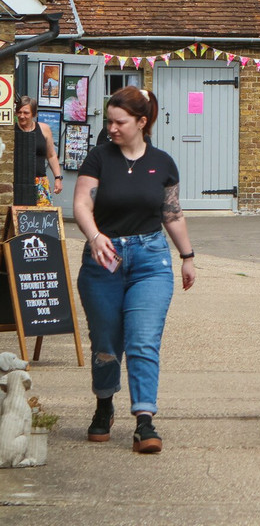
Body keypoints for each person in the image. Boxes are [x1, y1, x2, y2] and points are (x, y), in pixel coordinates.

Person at [72, 87, 196, 454]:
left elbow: (171, 213)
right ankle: (104, 403)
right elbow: (81, 203)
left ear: (141, 122)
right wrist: (94, 236)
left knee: (143, 341)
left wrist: (187, 255)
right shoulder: (98, 158)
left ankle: (144, 421)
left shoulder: (163, 162)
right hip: (103, 258)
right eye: (108, 121)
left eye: (119, 122)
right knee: (107, 343)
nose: (111, 128)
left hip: (150, 259)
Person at [15, 96, 62, 206]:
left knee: (42, 217)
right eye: (19, 112)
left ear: (34, 114)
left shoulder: (44, 129)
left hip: (40, 182)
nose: (22, 116)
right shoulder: (12, 130)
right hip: (17, 183)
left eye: (26, 113)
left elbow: (51, 155)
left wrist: (58, 178)